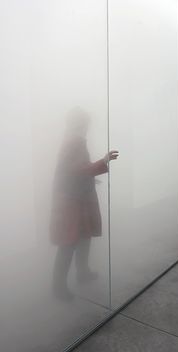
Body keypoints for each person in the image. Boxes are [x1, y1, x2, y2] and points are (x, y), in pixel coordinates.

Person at [50, 107, 118, 300]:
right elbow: (77, 169)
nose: (87, 127)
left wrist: (89, 179)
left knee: (82, 236)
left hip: (77, 198)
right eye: (85, 123)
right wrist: (103, 161)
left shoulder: (72, 140)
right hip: (72, 201)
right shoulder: (74, 141)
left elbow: (70, 171)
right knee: (69, 242)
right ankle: (59, 287)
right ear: (78, 123)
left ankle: (82, 272)